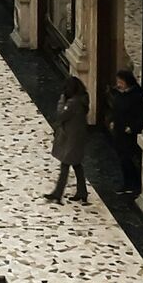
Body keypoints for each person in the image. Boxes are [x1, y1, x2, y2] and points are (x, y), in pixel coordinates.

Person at [46, 74, 91, 203]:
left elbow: (61, 115)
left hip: (71, 138)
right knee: (76, 164)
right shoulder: (82, 99)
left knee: (65, 164)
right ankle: (82, 192)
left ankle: (57, 193)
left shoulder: (72, 103)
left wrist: (61, 101)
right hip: (77, 137)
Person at [107, 69, 143, 195]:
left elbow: (142, 116)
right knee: (122, 158)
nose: (118, 84)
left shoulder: (136, 96)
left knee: (127, 158)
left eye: (121, 81)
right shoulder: (120, 94)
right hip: (119, 131)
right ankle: (128, 182)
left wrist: (132, 127)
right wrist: (113, 120)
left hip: (129, 134)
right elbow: (116, 109)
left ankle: (132, 182)